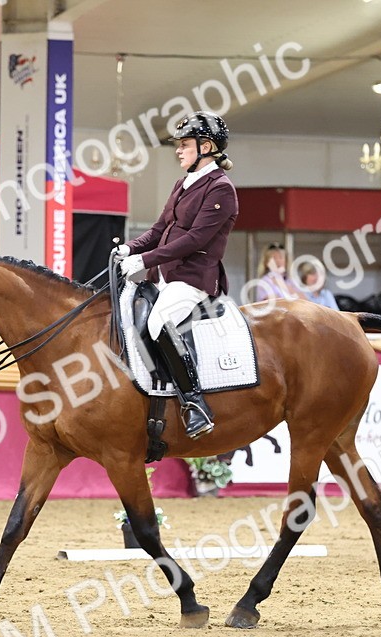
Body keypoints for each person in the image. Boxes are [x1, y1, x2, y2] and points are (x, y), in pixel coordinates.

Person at [114, 111, 238, 439]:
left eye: (185, 144)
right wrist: (129, 249)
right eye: (179, 145)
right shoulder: (183, 183)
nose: (179, 151)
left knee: (158, 323)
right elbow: (160, 229)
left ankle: (195, 403)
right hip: (165, 276)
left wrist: (144, 260)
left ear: (206, 146)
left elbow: (194, 240)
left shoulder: (221, 189)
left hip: (194, 279)